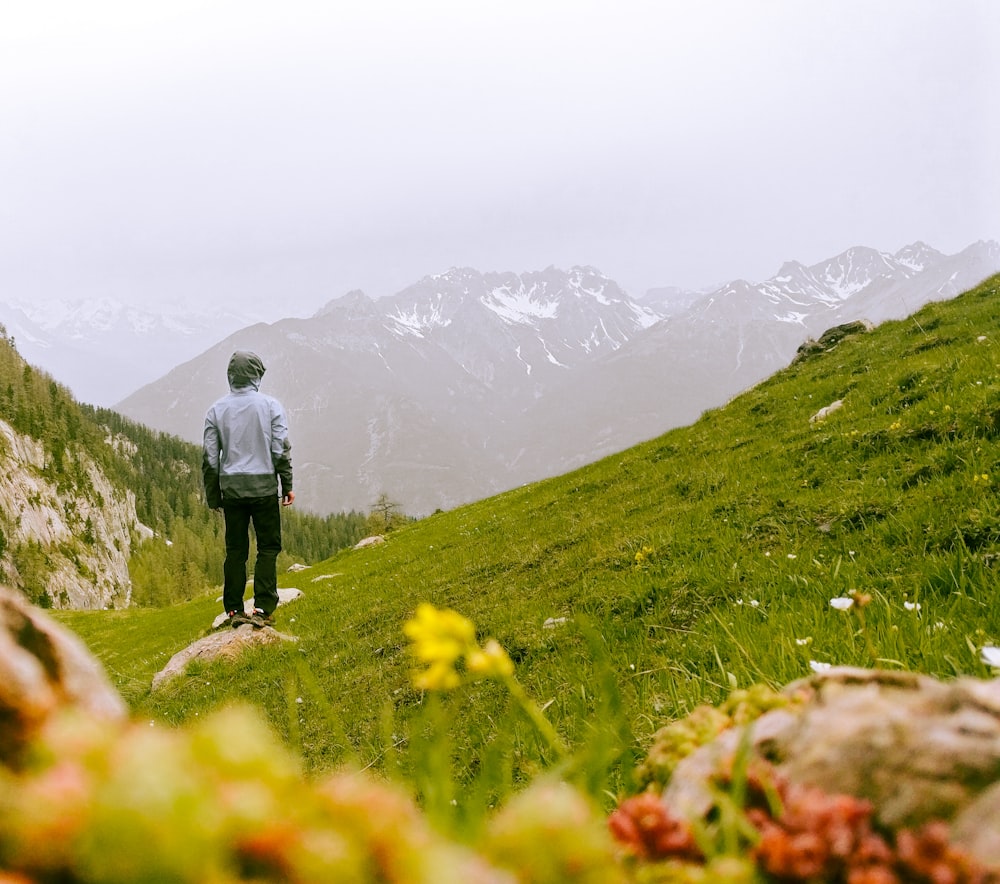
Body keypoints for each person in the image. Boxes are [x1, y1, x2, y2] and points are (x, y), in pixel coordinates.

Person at [202, 350, 294, 628]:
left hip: (232, 491)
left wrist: (213, 495)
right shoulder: (271, 407)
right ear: (256, 376)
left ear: (231, 376)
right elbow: (280, 450)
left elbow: (209, 457)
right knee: (268, 546)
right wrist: (286, 484)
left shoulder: (216, 410)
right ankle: (263, 608)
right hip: (264, 487)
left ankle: (233, 609)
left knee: (236, 550)